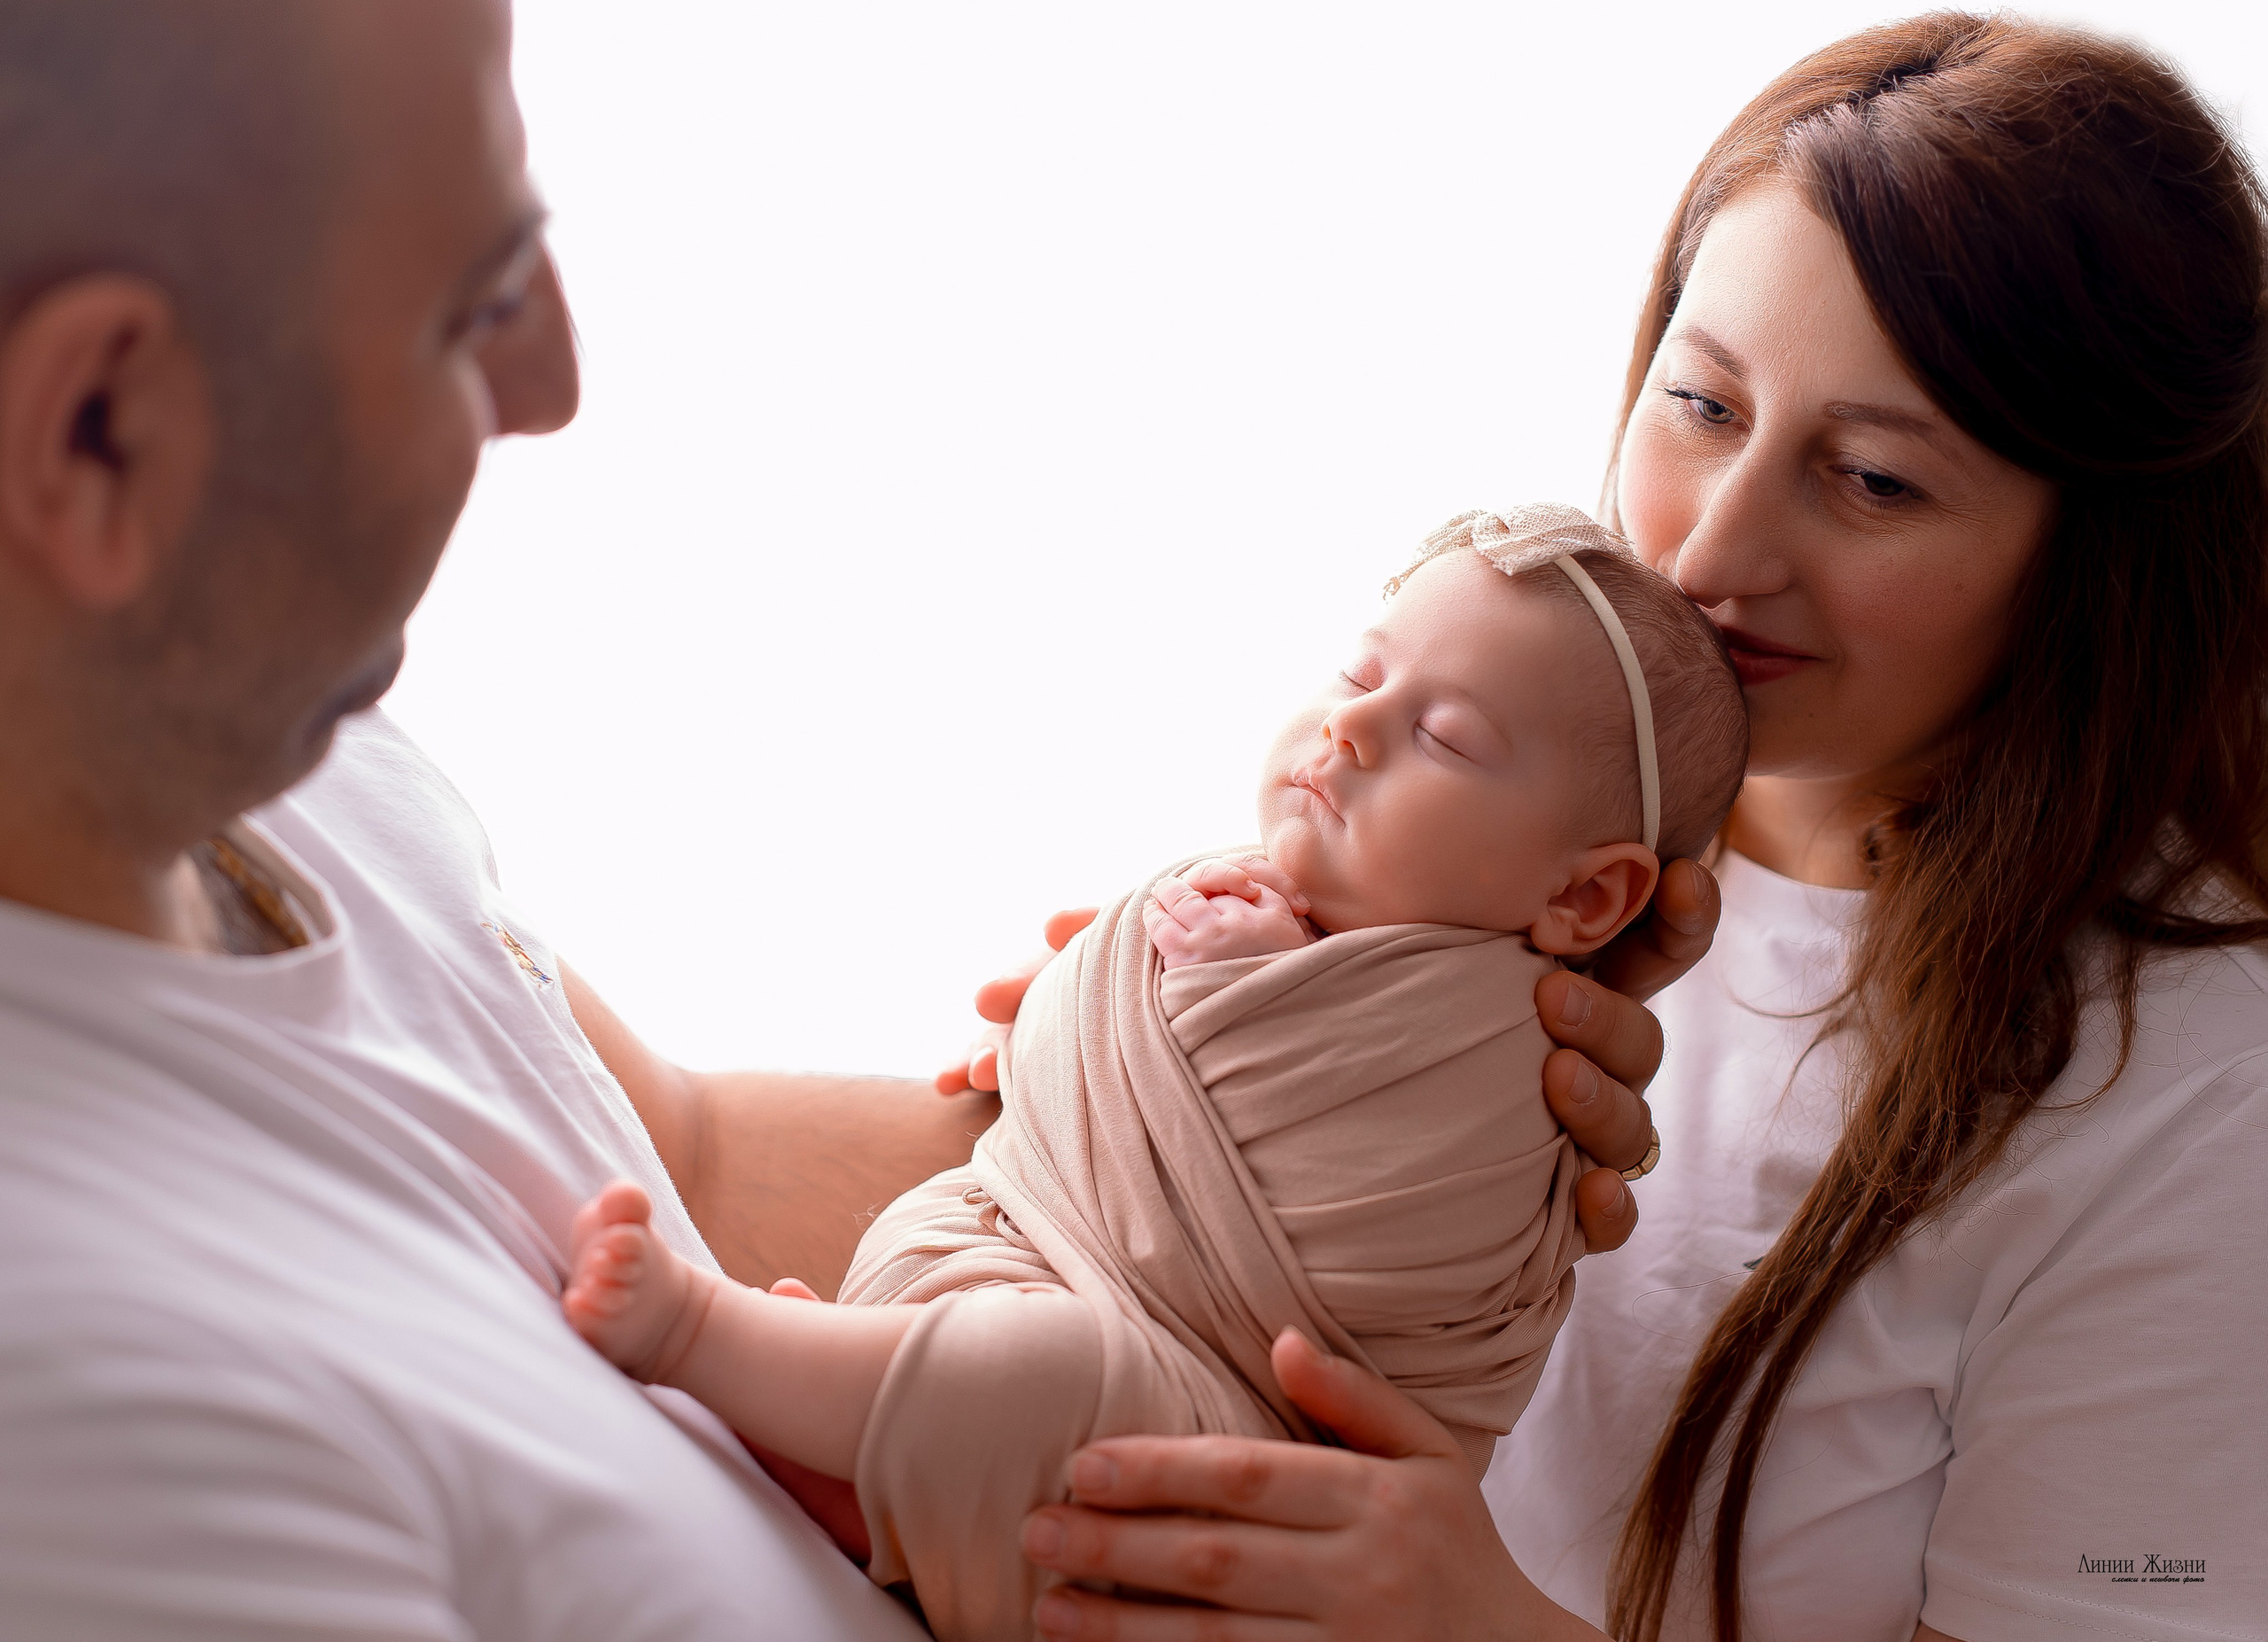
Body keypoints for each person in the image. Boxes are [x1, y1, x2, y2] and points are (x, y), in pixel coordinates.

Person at [0, 4, 1669, 1637]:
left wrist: (1257, 1099)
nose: (557, 379)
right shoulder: (103, 1435)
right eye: (473, 303)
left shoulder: (301, 765)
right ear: (96, 432)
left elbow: (687, 1150)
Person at [984, 13, 2268, 1642]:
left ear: (2102, 557)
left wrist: (1478, 1622)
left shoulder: (2204, 1104)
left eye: (1874, 481)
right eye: (1703, 403)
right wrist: (1112, 1096)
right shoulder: (1530, 811)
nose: (1713, 554)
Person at [554, 509, 1749, 1640]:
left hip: (1215, 1456)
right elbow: (1079, 1099)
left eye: (1444, 737)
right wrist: (1099, 1007)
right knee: (942, 1261)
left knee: (1033, 1373)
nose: (1351, 727)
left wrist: (1225, 996)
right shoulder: (1268, 892)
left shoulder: (1515, 1056)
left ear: (1585, 893)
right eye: (1358, 673)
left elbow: (1356, 1259)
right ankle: (875, 1458)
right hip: (1014, 1252)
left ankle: (701, 1331)